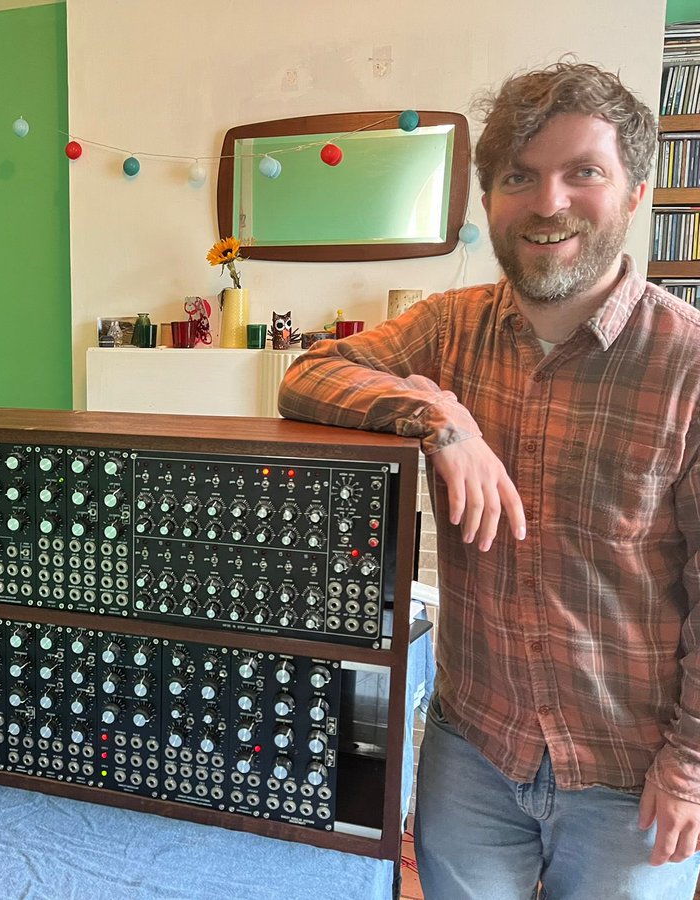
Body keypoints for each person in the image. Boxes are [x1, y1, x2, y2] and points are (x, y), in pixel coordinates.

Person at [279, 62, 700, 898]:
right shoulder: (448, 328)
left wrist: (690, 766)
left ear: (635, 192)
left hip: (631, 775)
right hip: (473, 754)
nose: (548, 203)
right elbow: (310, 373)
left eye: (583, 171)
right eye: (519, 176)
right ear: (488, 201)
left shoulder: (688, 361)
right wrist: (442, 422)